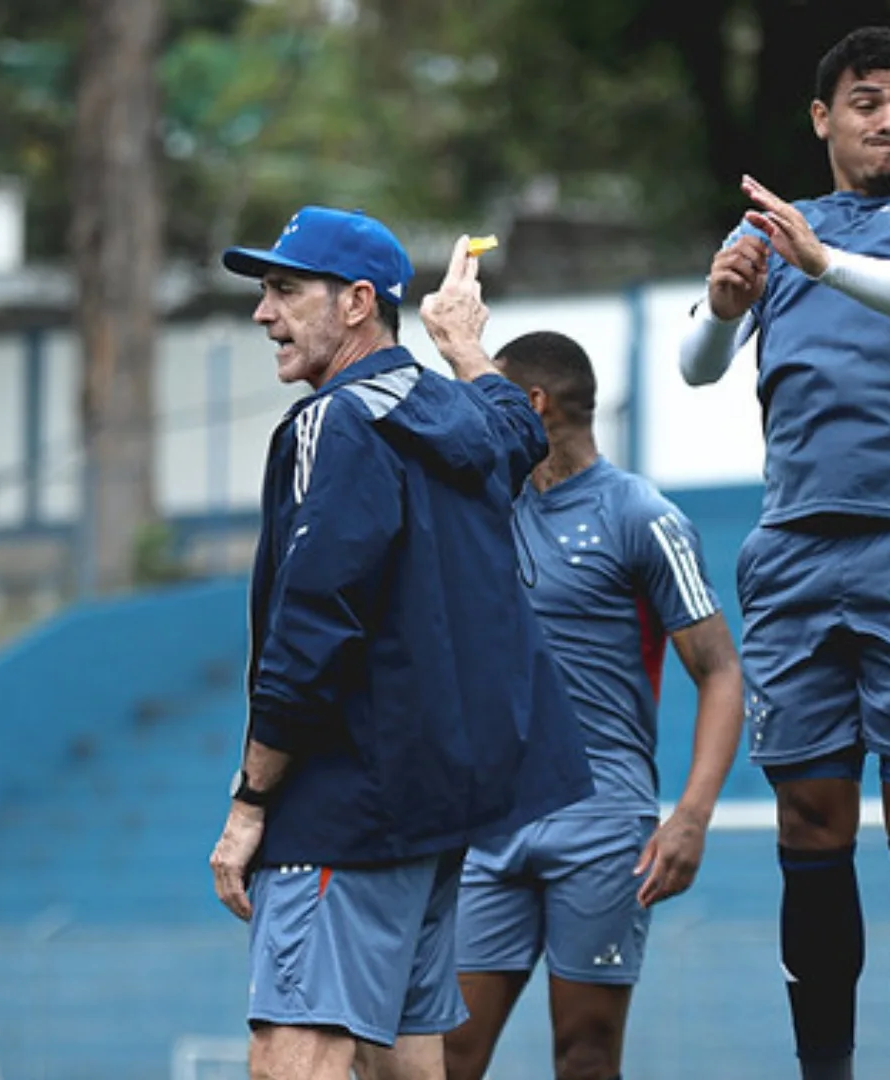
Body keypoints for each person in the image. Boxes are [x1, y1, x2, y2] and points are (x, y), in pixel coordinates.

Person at [676, 24, 890, 1080]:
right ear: (822, 117)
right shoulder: (774, 230)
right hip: (792, 556)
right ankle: (823, 1067)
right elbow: (699, 362)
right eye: (868, 101)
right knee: (811, 816)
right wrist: (726, 303)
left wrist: (820, 262)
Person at [207, 208, 593, 1080]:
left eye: (283, 290)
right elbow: (516, 430)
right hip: (436, 809)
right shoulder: (455, 414)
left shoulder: (331, 425)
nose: (264, 313)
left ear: (354, 304)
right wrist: (462, 344)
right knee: (405, 1065)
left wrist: (252, 798)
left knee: (290, 1055)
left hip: (343, 803)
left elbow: (313, 624)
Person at [444, 331, 744, 1080]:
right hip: (489, 826)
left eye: (494, 396)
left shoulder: (641, 516)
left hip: (600, 823)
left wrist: (691, 818)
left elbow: (721, 673)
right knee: (445, 1056)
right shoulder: (484, 507)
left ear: (532, 404)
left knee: (584, 1058)